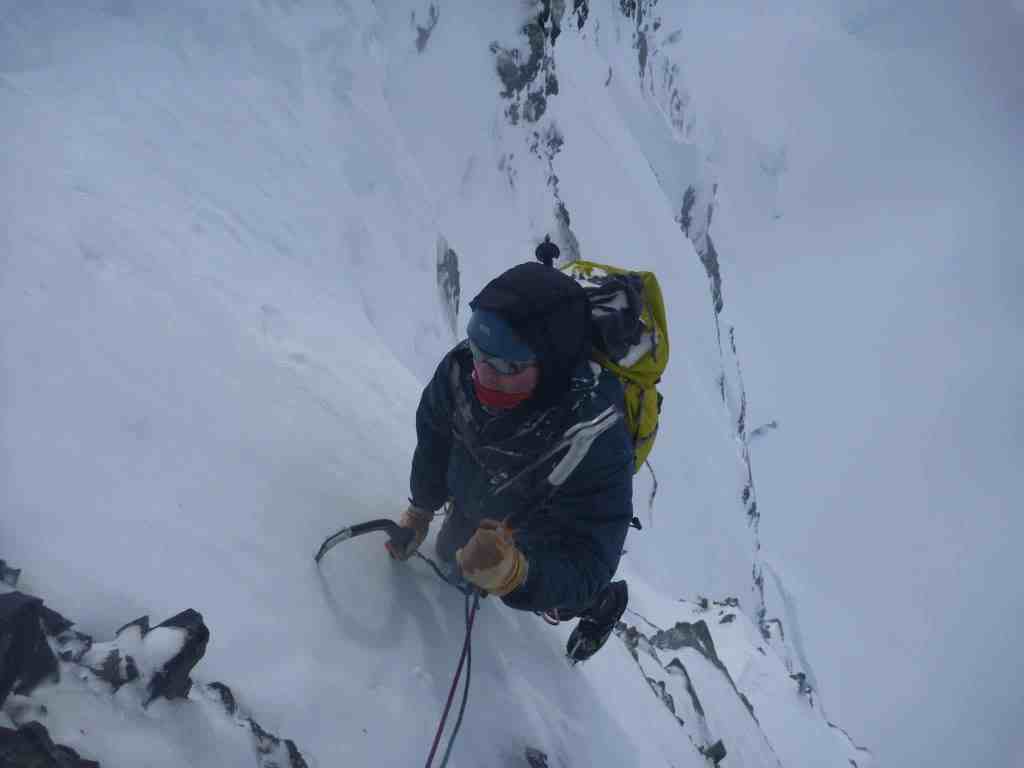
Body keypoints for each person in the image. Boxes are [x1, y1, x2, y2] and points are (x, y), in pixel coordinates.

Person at [387, 259, 633, 662]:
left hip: (541, 526)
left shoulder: (594, 431)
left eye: (508, 366)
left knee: (554, 599)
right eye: (480, 353)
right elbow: (434, 438)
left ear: (551, 362)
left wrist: (520, 574)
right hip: (476, 497)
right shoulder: (460, 370)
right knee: (453, 560)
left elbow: (589, 555)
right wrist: (421, 509)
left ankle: (603, 605)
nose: (484, 375)